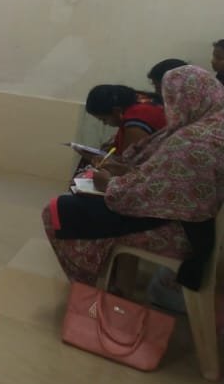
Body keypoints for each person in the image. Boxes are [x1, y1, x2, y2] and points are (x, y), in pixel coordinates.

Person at [43, 65, 224, 288]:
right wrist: (123, 174)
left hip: (178, 230)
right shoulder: (212, 126)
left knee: (59, 210)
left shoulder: (192, 140)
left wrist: (109, 184)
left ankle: (89, 283)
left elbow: (146, 195)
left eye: (168, 97)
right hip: (192, 224)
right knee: (81, 204)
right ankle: (112, 281)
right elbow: (163, 179)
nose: (166, 106)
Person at [84, 84, 166, 155]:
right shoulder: (141, 100)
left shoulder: (136, 120)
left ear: (117, 111)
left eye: (104, 119)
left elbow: (128, 161)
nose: (105, 124)